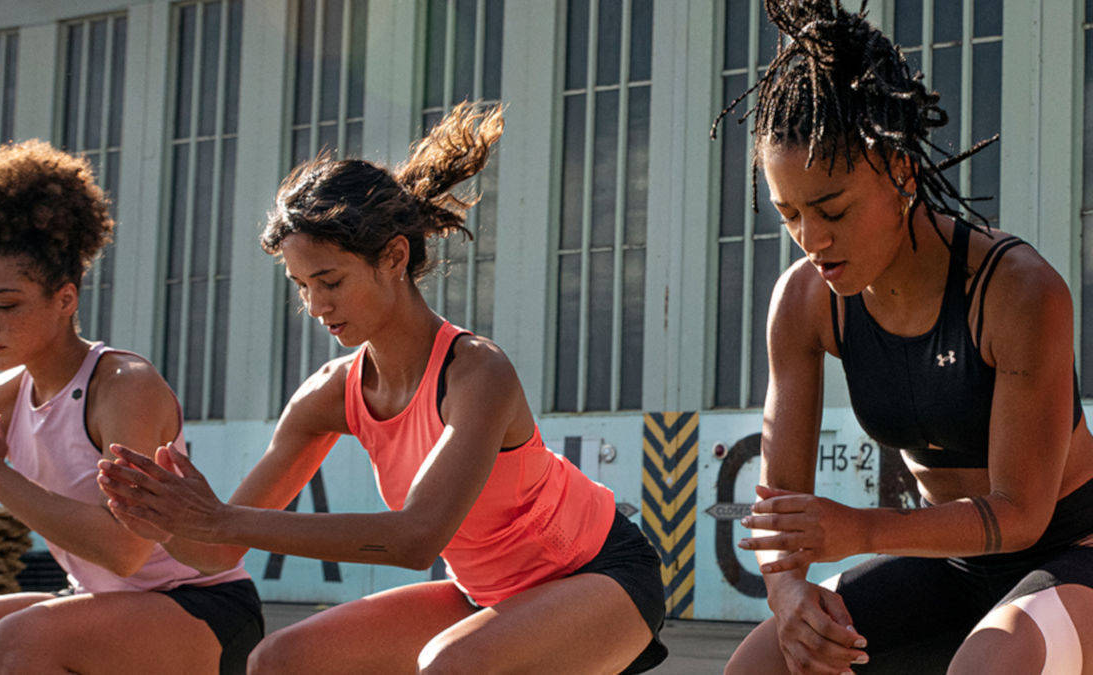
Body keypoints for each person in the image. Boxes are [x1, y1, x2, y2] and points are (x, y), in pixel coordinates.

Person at [96, 103, 669, 674]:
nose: (317, 307)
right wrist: (167, 522)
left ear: (394, 256)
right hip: (485, 593)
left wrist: (219, 518)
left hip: (597, 576)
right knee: (279, 660)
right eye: (301, 287)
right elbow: (215, 551)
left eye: (331, 281)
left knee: (450, 667)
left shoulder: (476, 371)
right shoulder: (329, 395)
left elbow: (416, 538)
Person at [717, 2, 1093, 674]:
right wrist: (789, 592)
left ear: (901, 171)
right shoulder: (804, 303)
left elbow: (1021, 514)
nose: (812, 238)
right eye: (789, 213)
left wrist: (859, 529)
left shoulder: (1018, 291)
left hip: (1072, 550)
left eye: (831, 208)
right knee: (763, 664)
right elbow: (781, 513)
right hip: (951, 565)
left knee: (987, 663)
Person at [0, 140, 263, 675]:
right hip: (95, 602)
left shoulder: (123, 386)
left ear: (65, 300)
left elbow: (124, 551)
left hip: (201, 609)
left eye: (6, 305)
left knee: (22, 641)